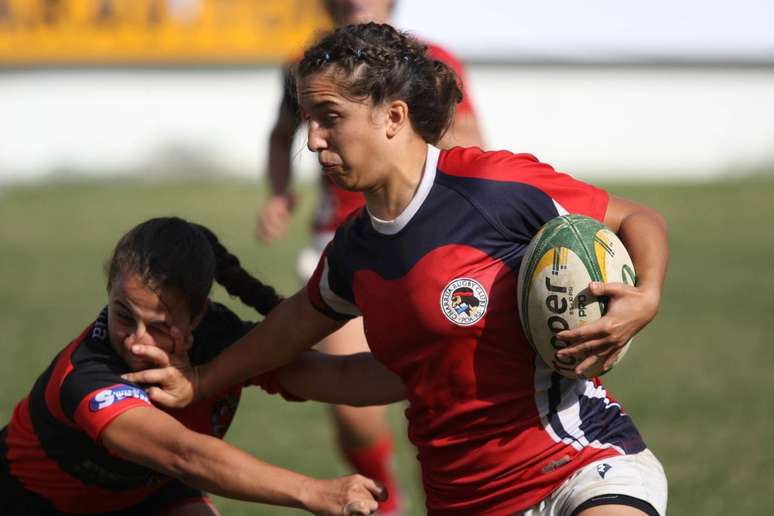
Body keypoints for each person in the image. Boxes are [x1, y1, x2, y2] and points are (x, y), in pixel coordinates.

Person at [128, 23, 670, 516]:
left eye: (330, 118)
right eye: (308, 121)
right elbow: (296, 333)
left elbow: (636, 218)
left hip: (581, 466)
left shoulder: (493, 187)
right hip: (464, 500)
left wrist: (644, 297)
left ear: (393, 117)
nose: (313, 140)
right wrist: (200, 381)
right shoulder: (355, 250)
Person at [0, 217, 385, 515]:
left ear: (198, 315)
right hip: (30, 503)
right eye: (123, 315)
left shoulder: (220, 339)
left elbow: (340, 375)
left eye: (159, 326)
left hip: (148, 494)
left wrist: (434, 366)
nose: (136, 339)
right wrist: (315, 492)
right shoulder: (86, 375)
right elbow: (185, 455)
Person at [257, 3, 483, 513]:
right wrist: (278, 193)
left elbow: (471, 143)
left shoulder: (429, 62)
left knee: (447, 392)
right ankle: (384, 502)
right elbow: (280, 135)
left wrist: (420, 130)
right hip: (340, 247)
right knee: (350, 407)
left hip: (427, 245)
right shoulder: (305, 67)